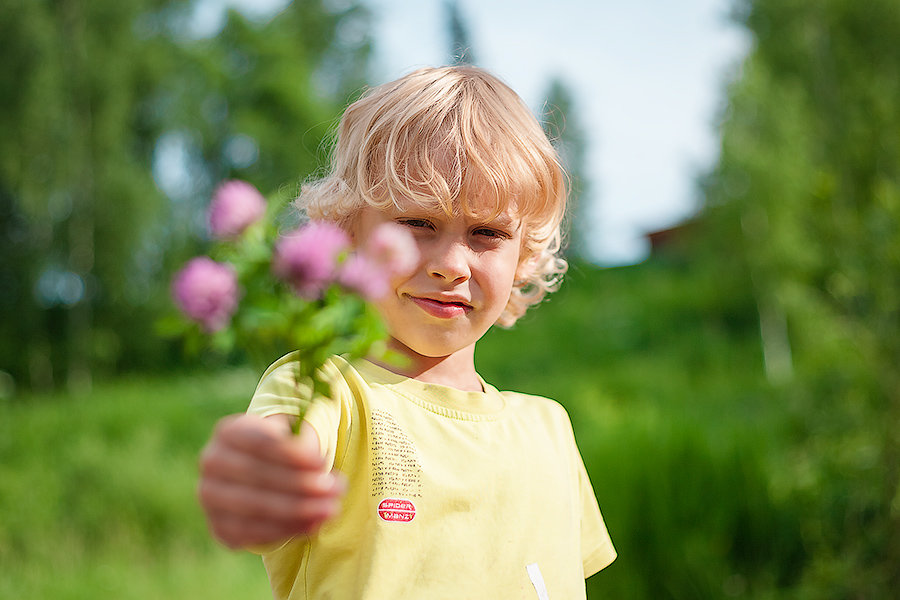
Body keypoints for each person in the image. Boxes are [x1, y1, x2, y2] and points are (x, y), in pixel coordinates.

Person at [197, 65, 616, 599]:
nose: (451, 265)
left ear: (524, 256)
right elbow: (269, 476)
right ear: (348, 231)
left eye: (487, 233)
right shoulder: (326, 391)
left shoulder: (549, 429)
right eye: (419, 223)